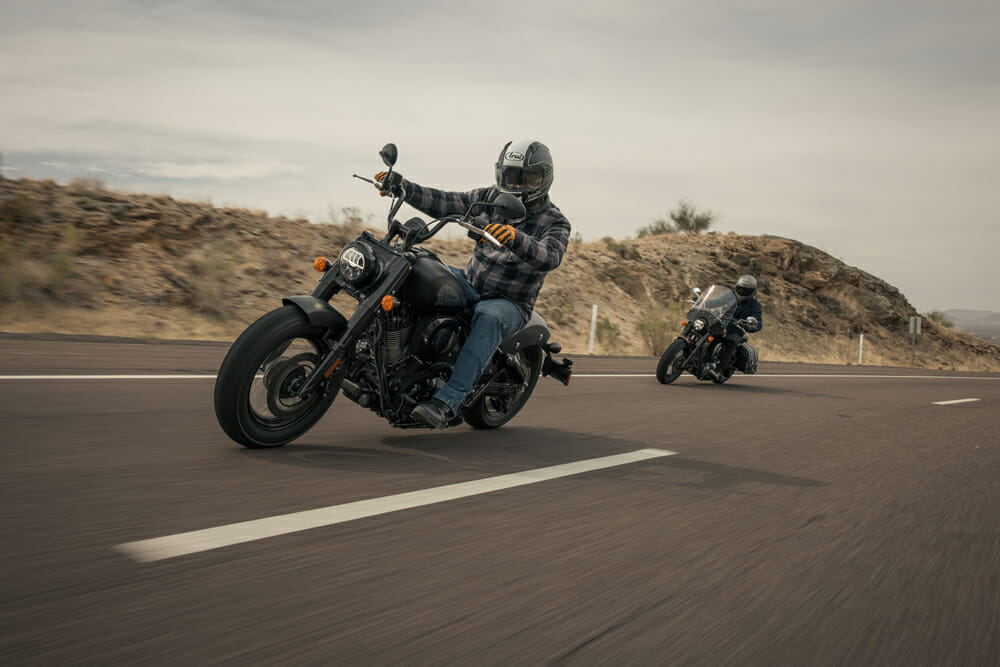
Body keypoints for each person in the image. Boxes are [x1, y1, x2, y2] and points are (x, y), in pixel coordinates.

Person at [375, 139, 571, 428]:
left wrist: (517, 239)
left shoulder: (555, 221)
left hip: (509, 303)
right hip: (470, 282)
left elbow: (550, 256)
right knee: (417, 267)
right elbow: (445, 202)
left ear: (544, 179)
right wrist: (402, 185)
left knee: (489, 316)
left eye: (526, 178)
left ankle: (447, 402)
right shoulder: (489, 198)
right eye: (509, 176)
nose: (515, 186)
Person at [710, 274, 763, 380]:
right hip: (722, 323)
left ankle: (719, 370)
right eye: (740, 289)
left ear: (752, 292)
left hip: (738, 329)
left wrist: (750, 324)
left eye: (745, 291)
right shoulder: (730, 295)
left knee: (731, 341)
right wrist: (703, 302)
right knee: (702, 325)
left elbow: (758, 321)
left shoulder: (754, 305)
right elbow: (717, 302)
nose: (742, 292)